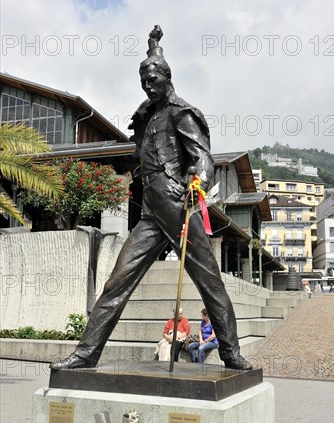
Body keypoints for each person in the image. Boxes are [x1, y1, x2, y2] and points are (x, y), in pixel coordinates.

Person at [50, 25, 252, 372]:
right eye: (143, 79)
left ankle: (231, 353)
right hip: (149, 214)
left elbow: (203, 157)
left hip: (179, 206)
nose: (147, 84)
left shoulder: (181, 113)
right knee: (117, 281)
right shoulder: (147, 115)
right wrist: (152, 44)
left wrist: (198, 183)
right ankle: (86, 354)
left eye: (153, 78)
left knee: (210, 283)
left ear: (167, 78)